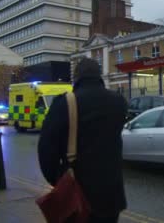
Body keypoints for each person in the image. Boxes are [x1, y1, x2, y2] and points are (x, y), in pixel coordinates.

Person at [38, 58, 128, 222]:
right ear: (99, 76)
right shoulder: (119, 102)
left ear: (76, 77)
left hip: (78, 195)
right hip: (111, 196)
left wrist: (59, 179)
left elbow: (46, 150)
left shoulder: (64, 102)